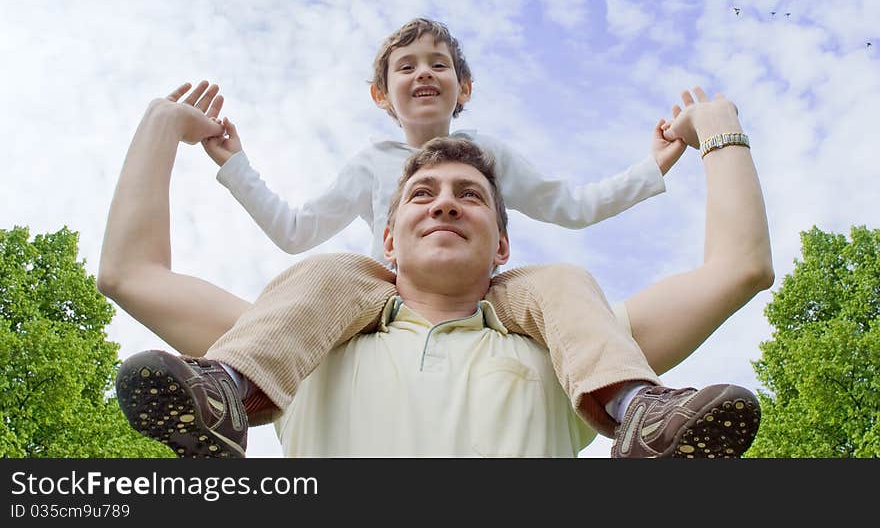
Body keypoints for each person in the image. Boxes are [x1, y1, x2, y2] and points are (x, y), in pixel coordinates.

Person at [100, 85, 774, 457]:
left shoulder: (575, 348)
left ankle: (641, 413)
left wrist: (719, 125)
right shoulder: (298, 342)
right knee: (324, 273)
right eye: (422, 193)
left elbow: (739, 269)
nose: (446, 199)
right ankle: (226, 401)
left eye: (470, 195)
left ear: (503, 246)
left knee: (568, 280)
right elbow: (131, 273)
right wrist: (162, 122)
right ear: (388, 239)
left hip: (583, 366)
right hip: (286, 353)